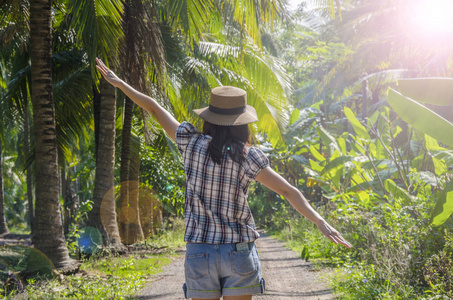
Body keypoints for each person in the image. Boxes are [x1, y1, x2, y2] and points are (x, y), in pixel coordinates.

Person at [96, 58, 352, 300]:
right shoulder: (248, 156)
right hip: (238, 252)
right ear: (242, 122)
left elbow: (153, 106)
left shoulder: (189, 142)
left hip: (200, 251)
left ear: (209, 117)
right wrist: (319, 221)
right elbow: (288, 191)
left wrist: (119, 83)